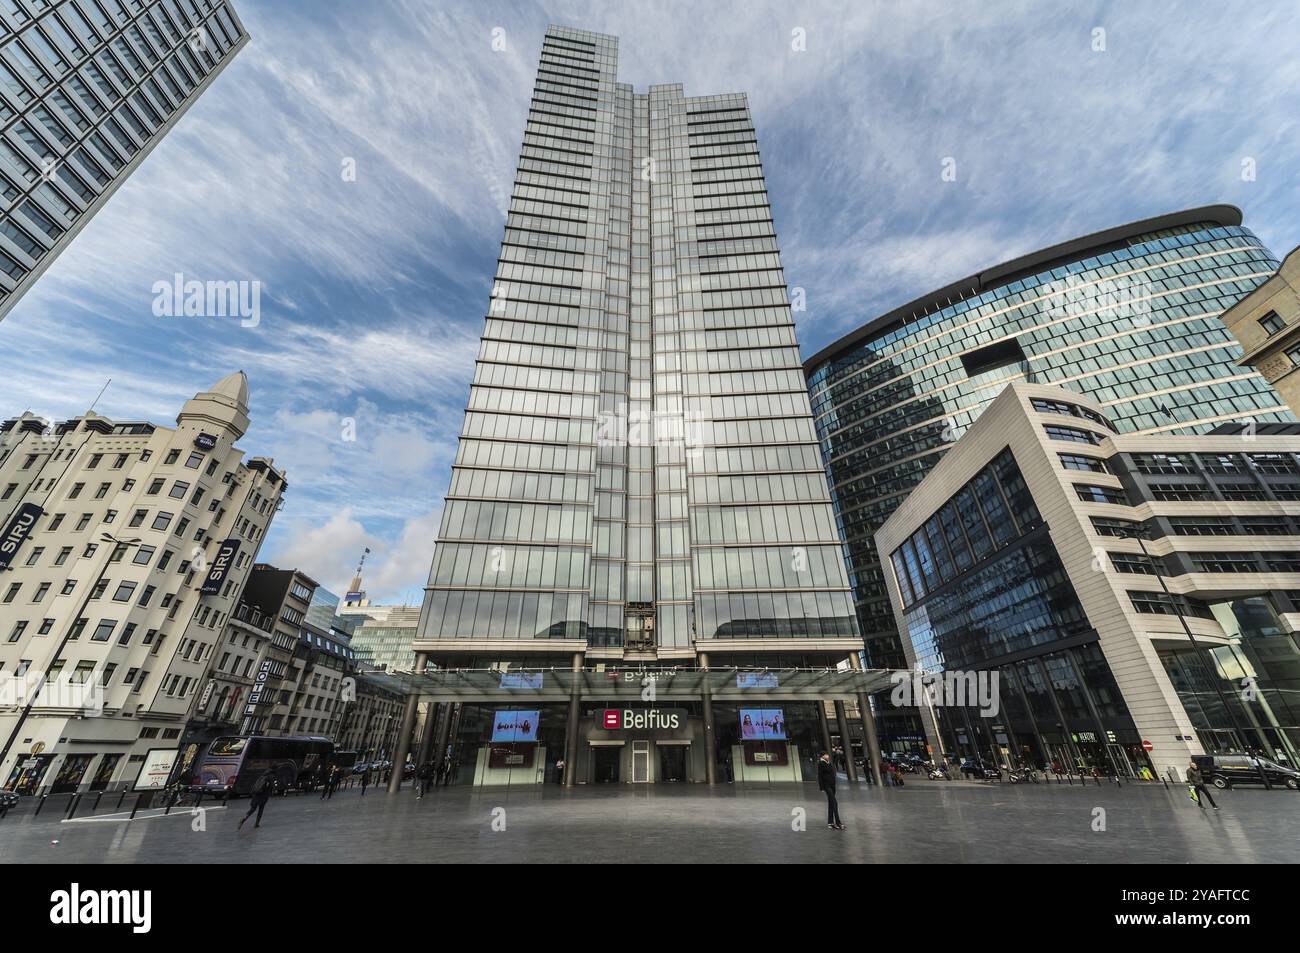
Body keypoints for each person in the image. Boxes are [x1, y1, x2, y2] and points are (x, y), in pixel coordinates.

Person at [817, 752, 843, 830]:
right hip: (826, 786)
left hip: (832, 785)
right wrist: (821, 787)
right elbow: (820, 776)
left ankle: (830, 822)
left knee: (831, 803)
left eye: (827, 754)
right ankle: (838, 822)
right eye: (826, 755)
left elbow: (832, 773)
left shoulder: (829, 763)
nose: (827, 756)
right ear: (823, 756)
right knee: (834, 803)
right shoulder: (821, 763)